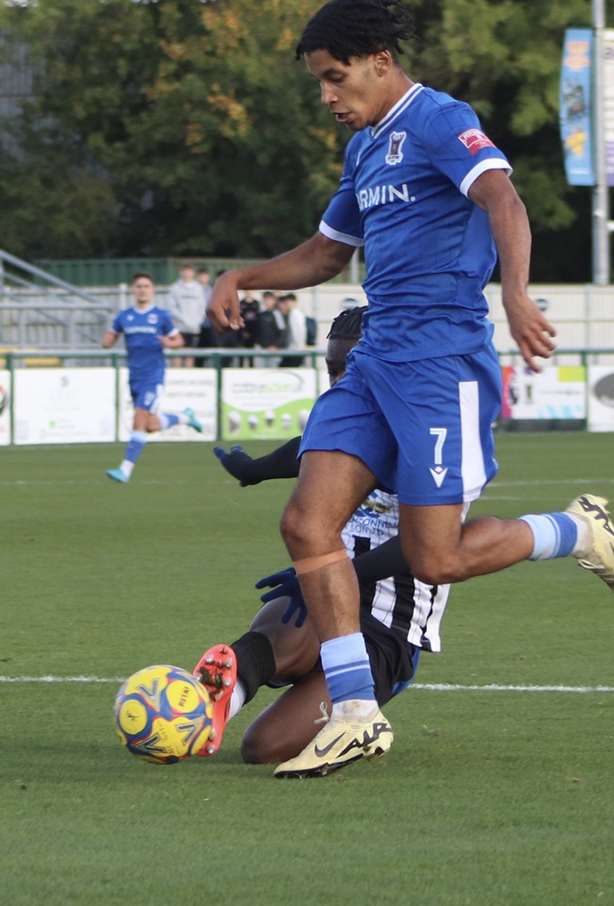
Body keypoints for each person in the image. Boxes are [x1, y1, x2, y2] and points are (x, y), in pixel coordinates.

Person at [205, 0, 614, 779]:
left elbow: (502, 197)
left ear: (380, 61)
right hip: (375, 359)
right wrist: (244, 275)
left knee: (432, 557)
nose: (328, 95)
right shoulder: (364, 150)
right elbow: (326, 254)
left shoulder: (439, 118)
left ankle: (575, 529)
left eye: (335, 77)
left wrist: (516, 293)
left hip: (441, 364)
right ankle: (355, 714)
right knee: (307, 522)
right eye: (319, 82)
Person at [195, 307, 456, 762]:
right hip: (327, 595)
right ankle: (206, 708)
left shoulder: (431, 433)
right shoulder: (344, 416)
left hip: (388, 629)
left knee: (262, 747)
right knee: (292, 610)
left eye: (348, 369)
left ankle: (356, 709)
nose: (338, 382)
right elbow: (314, 448)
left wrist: (328, 573)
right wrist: (255, 469)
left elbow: (424, 548)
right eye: (332, 369)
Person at [100, 272, 201, 483]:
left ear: (152, 290)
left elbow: (179, 341)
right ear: (133, 290)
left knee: (139, 419)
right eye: (138, 286)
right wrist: (108, 339)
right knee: (151, 425)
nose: (142, 290)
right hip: (134, 377)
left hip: (153, 377)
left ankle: (125, 470)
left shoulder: (161, 316)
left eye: (146, 286)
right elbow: (108, 341)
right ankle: (185, 417)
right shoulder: (124, 316)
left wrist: (168, 343)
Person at [165, 265, 207, 366]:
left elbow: (202, 307)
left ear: (193, 273)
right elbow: (172, 307)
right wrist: (182, 318)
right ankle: (176, 372)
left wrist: (198, 320)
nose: (187, 274)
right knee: (177, 352)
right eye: (185, 271)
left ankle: (189, 372)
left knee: (190, 353)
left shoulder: (198, 288)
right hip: (179, 326)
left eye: (189, 271)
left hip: (194, 327)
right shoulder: (175, 288)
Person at [277, 294, 309, 368]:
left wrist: (298, 346)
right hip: (293, 348)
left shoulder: (295, 314)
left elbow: (298, 332)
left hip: (295, 349)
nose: (287, 304)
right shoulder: (292, 313)